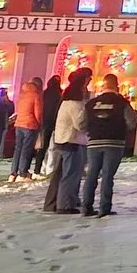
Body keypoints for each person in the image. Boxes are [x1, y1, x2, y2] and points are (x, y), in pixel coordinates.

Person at [82, 74, 134, 217]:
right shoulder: (122, 102)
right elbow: (131, 122)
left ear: (103, 86)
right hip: (114, 143)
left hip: (94, 142)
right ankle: (104, 208)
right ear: (116, 85)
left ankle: (86, 207)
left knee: (91, 174)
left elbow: (82, 123)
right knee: (107, 176)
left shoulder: (91, 103)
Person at [45, 70, 92, 214]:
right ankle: (64, 204)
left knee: (62, 173)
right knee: (71, 174)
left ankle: (61, 201)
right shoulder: (75, 103)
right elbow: (80, 123)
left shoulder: (66, 101)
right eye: (87, 80)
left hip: (64, 139)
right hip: (71, 140)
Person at [9, 77, 42, 182]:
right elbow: (38, 113)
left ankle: (13, 173)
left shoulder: (21, 95)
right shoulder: (36, 96)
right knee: (26, 149)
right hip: (30, 124)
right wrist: (39, 123)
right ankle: (22, 173)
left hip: (19, 124)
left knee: (18, 148)